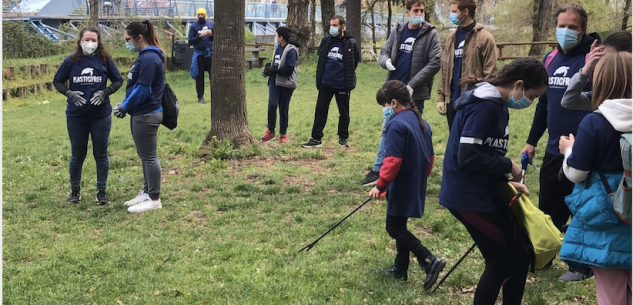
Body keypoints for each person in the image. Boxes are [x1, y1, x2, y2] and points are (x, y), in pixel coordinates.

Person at [440, 57, 549, 305]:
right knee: (500, 263)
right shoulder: (483, 105)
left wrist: (504, 181)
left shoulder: (499, 105)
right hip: (466, 197)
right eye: (532, 96)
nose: (530, 103)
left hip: (486, 190)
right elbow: (467, 156)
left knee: (521, 254)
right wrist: (507, 165)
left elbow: (486, 152)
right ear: (518, 85)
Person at [521, 3, 601, 282]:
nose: (565, 31)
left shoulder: (595, 58)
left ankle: (581, 265)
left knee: (582, 207)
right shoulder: (550, 57)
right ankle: (544, 254)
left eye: (572, 27)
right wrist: (532, 142)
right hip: (555, 146)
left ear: (583, 30)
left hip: (587, 148)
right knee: (549, 205)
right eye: (561, 26)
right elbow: (544, 104)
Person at [559, 51, 632, 305]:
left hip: (606, 217)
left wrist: (568, 149)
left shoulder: (594, 122)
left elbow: (576, 172)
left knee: (611, 293)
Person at [368, 80, 445, 290]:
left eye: (384, 105)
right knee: (400, 225)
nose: (384, 110)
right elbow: (431, 157)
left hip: (401, 184)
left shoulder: (395, 125)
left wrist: (381, 185)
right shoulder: (421, 121)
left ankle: (429, 259)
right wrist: (420, 178)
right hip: (414, 182)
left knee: (393, 227)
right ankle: (400, 269)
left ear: (393, 103)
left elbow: (392, 160)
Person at [360, 0, 441, 186]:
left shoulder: (431, 34)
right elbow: (384, 51)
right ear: (407, 11)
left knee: (415, 130)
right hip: (393, 90)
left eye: (421, 10)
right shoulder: (398, 30)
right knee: (388, 128)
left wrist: (412, 85)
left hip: (414, 93)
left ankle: (408, 168)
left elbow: (435, 62)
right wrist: (385, 61)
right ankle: (380, 168)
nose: (419, 13)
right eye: (416, 10)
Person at [53, 27, 123, 205]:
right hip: (76, 116)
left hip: (101, 115)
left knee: (101, 154)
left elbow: (118, 80)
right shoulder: (71, 61)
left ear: (99, 42)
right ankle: (75, 191)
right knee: (77, 154)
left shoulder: (105, 60)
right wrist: (69, 93)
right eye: (87, 39)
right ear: (79, 41)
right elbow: (57, 81)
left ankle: (101, 191)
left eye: (94, 40)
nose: (90, 43)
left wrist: (105, 92)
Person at [114, 20, 166, 213]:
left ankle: (154, 198)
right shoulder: (146, 57)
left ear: (139, 38)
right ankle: (146, 191)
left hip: (147, 113)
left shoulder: (149, 59)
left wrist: (125, 106)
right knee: (145, 156)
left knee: (150, 157)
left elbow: (143, 89)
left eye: (128, 39)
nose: (127, 43)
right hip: (141, 113)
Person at [436, 0, 497, 129]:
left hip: (473, 102)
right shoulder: (451, 39)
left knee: (470, 145)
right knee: (455, 145)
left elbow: (490, 75)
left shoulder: (485, 38)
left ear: (465, 12)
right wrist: (441, 98)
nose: (450, 16)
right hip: (452, 102)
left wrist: (483, 101)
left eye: (454, 12)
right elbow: (444, 70)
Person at [301, 15, 360, 148]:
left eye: (335, 25)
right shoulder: (326, 41)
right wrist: (320, 80)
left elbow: (354, 63)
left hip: (342, 85)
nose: (332, 28)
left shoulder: (351, 43)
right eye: (331, 25)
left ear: (342, 26)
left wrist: (346, 78)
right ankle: (316, 139)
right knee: (320, 110)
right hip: (326, 83)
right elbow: (321, 60)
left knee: (344, 113)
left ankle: (343, 138)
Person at [561, 31, 632, 111]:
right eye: (602, 60)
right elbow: (569, 102)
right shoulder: (606, 96)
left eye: (610, 60)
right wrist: (585, 70)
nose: (605, 66)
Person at [260, 26, 299, 143]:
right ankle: (270, 131)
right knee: (272, 105)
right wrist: (269, 68)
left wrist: (275, 71)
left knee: (283, 109)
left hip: (286, 84)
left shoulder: (291, 51)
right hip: (274, 82)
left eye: (276, 35)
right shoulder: (277, 49)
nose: (275, 37)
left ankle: (283, 134)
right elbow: (276, 63)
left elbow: (289, 69)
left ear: (281, 37)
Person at [188, 8, 214, 104]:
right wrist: (199, 37)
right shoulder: (193, 27)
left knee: (213, 76)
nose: (200, 16)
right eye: (198, 14)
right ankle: (200, 97)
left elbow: (216, 37)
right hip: (199, 53)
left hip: (210, 53)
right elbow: (190, 41)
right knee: (199, 76)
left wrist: (211, 35)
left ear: (205, 15)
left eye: (202, 14)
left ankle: (214, 96)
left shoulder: (211, 25)